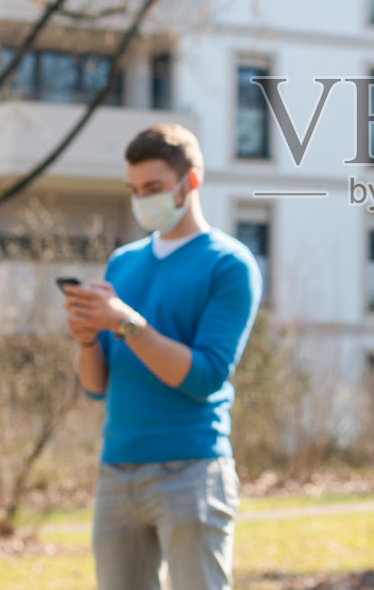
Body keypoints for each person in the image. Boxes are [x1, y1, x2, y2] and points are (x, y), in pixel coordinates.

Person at [64, 122, 262, 590]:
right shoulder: (123, 262)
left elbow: (206, 376)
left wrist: (126, 324)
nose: (141, 200)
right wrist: (88, 337)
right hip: (118, 470)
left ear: (190, 181)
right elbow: (95, 388)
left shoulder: (228, 264)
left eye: (152, 188)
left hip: (190, 472)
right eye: (134, 190)